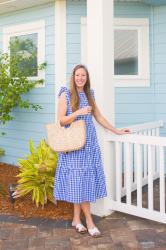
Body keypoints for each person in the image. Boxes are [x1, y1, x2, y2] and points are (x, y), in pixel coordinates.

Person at [54, 64, 130, 238]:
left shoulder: (90, 94)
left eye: (83, 75)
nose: (80, 78)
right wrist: (79, 112)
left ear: (87, 78)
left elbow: (99, 117)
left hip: (88, 144)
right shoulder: (65, 94)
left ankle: (76, 220)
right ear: (73, 77)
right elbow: (62, 121)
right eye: (77, 75)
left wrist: (116, 130)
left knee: (81, 181)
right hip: (73, 146)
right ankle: (89, 221)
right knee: (78, 180)